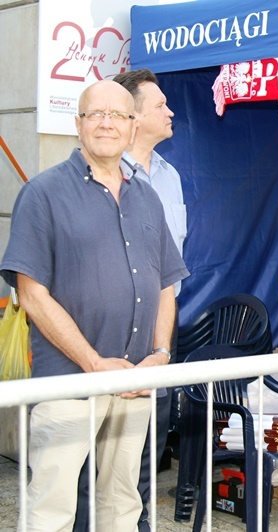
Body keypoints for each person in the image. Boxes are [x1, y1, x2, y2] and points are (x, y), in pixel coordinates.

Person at [0, 80, 188, 531]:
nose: (106, 123)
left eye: (117, 115)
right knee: (52, 507)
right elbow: (32, 294)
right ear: (78, 123)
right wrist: (93, 363)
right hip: (68, 381)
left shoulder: (147, 196)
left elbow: (165, 282)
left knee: (122, 502)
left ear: (132, 125)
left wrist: (161, 353)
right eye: (95, 114)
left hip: (135, 381)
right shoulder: (43, 193)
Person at [114, 67, 187, 532]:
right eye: (161, 104)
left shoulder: (171, 176)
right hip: (114, 323)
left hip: (163, 323)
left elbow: (173, 258)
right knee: (107, 433)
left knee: (153, 427)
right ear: (134, 117)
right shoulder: (102, 173)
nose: (171, 111)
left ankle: (140, 519)